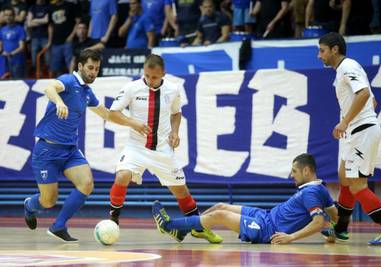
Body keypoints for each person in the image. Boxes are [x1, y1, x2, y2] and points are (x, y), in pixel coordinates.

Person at [23, 49, 140, 243]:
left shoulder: (87, 92)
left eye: (97, 69)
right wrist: (59, 102)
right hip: (47, 151)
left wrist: (132, 123)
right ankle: (29, 205)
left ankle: (58, 226)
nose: (94, 72)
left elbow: (107, 114)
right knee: (48, 201)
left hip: (70, 150)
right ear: (80, 66)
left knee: (86, 184)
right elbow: (49, 88)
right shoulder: (69, 81)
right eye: (90, 68)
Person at [107, 54, 223, 244]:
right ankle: (113, 220)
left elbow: (176, 113)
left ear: (163, 74)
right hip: (136, 147)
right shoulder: (131, 88)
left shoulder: (173, 89)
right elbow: (112, 114)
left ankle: (198, 228)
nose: (149, 80)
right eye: (146, 75)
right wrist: (132, 122)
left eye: (154, 77)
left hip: (163, 150)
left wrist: (175, 133)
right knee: (122, 176)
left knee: (181, 191)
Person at [317, 32, 381, 245]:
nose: (319, 56)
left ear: (335, 49)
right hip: (357, 131)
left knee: (357, 185)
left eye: (322, 50)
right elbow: (372, 101)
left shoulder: (348, 66)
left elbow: (364, 94)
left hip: (361, 131)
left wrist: (346, 121)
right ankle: (341, 229)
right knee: (344, 178)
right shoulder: (343, 71)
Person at [153, 153, 338, 244]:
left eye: (295, 171)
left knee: (220, 215)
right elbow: (334, 215)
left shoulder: (311, 192)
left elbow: (319, 221)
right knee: (220, 206)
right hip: (265, 215)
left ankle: (168, 226)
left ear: (307, 170)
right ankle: (186, 230)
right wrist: (333, 232)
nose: (292, 175)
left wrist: (291, 237)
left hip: (267, 229)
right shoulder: (319, 189)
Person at [0, 6, 25, 79]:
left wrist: (10, 53)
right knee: (5, 84)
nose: (8, 17)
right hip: (4, 61)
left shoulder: (20, 29)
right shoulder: (2, 30)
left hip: (17, 61)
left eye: (10, 15)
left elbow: (22, 47)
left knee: (18, 82)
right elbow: (0, 44)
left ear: (14, 16)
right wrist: (2, 51)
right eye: (6, 15)